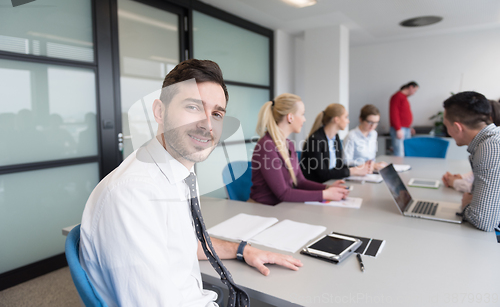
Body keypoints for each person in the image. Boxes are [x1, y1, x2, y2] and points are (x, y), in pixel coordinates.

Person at [79, 59, 303, 306]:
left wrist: (243, 250)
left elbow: (185, 242)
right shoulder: (133, 194)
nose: (208, 124)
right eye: (194, 107)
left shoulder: (176, 174)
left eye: (217, 114)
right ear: (159, 111)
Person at [250, 94, 350, 205]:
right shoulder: (266, 146)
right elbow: (283, 193)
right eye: (302, 114)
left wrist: (328, 187)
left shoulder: (288, 144)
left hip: (282, 207)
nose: (304, 119)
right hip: (264, 210)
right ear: (290, 117)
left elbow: (300, 181)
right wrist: (325, 194)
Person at [442, 91, 500, 232]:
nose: (447, 131)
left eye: (446, 126)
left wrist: (467, 205)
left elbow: (484, 221)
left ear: (457, 127)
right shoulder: (490, 140)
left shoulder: (490, 148)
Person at [300, 103, 373, 184]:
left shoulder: (335, 137)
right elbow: (323, 174)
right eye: (346, 117)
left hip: (330, 183)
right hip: (317, 186)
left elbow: (338, 166)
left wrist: (359, 168)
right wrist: (353, 171)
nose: (348, 121)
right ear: (336, 119)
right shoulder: (315, 140)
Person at [442, 99, 500, 193]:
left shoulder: (492, 147)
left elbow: (482, 191)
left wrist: (455, 182)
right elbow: (480, 174)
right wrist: (461, 178)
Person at [343, 104, 387, 171]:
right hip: (357, 172)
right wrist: (369, 165)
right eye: (370, 122)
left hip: (370, 171)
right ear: (361, 119)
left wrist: (376, 164)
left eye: (376, 122)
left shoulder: (373, 134)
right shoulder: (351, 136)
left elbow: (372, 157)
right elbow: (346, 161)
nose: (373, 125)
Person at [389, 81, 419, 156]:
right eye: (415, 90)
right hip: (400, 129)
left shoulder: (404, 98)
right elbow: (394, 113)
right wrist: (398, 129)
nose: (414, 93)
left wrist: (409, 127)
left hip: (405, 129)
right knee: (399, 152)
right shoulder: (397, 96)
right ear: (411, 87)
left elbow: (404, 114)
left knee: (406, 151)